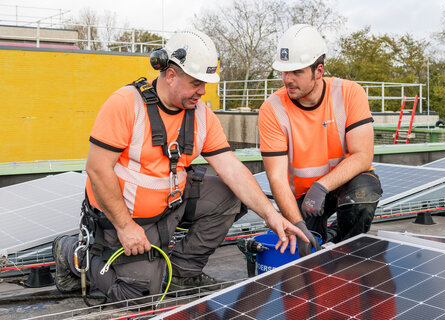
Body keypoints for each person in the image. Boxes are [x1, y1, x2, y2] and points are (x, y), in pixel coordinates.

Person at [52, 28, 308, 302]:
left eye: (205, 84)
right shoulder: (126, 105)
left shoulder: (201, 114)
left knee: (229, 196)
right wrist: (126, 227)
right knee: (140, 296)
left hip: (170, 205)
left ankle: (183, 273)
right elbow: (97, 169)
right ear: (171, 75)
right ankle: (70, 251)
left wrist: (272, 215)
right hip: (125, 216)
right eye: (196, 82)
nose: (202, 91)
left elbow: (232, 169)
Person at [258, 24, 383, 256]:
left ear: (318, 71)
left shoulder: (349, 93)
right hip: (302, 197)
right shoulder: (272, 109)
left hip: (341, 184)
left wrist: (322, 186)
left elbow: (363, 155)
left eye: (297, 72)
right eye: (285, 72)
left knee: (364, 192)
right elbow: (277, 178)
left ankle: (347, 252)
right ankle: (324, 240)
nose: (288, 80)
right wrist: (298, 224)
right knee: (304, 247)